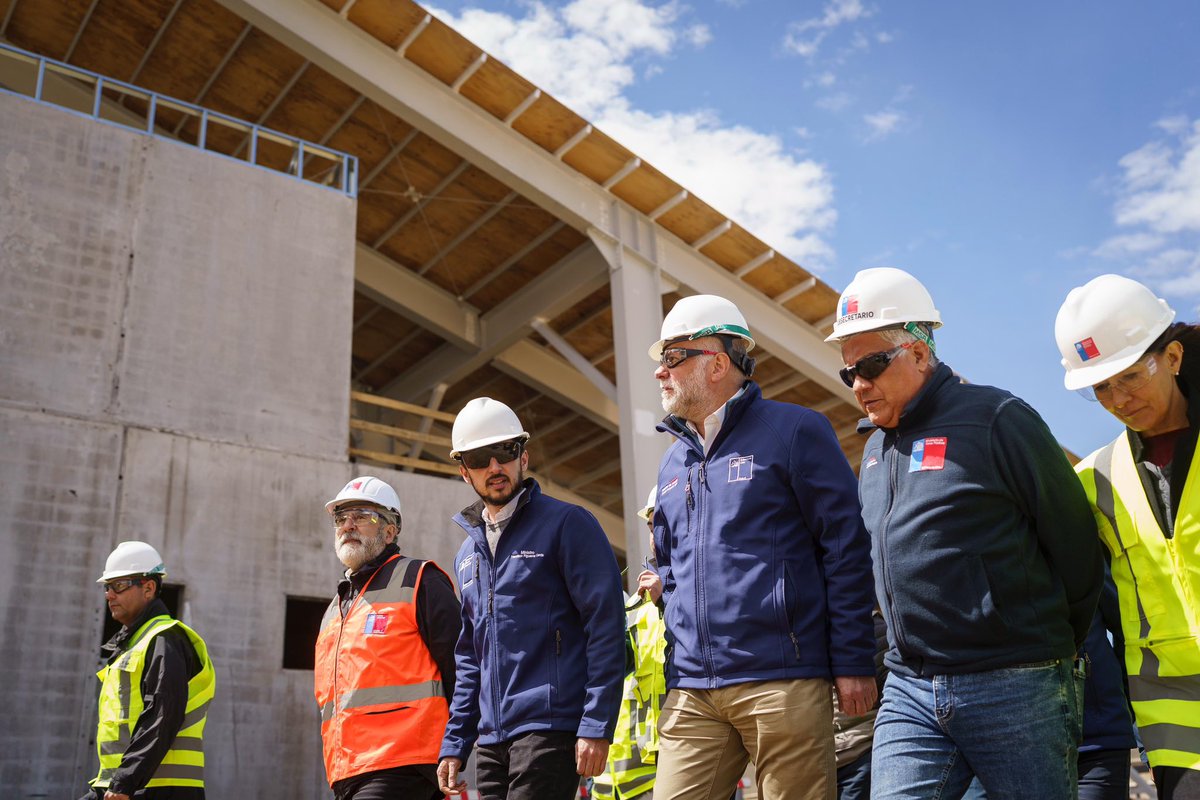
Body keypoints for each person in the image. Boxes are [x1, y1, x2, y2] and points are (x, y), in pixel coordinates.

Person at [826, 267, 1103, 799]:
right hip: (908, 687)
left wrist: (1036, 646)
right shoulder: (875, 453)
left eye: (872, 366)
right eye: (849, 374)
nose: (860, 384)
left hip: (1015, 681)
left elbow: (1076, 548)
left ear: (920, 353)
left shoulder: (998, 419)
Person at [648, 294, 878, 800]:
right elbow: (669, 569)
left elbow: (845, 548)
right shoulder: (670, 468)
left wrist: (854, 660)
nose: (660, 374)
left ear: (717, 363)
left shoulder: (796, 431)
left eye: (671, 358)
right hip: (693, 687)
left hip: (783, 677)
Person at [1055, 273, 1200, 798]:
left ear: (1175, 356)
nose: (1118, 397)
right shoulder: (1093, 480)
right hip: (1175, 726)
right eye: (1100, 387)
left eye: (1130, 376)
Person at [437, 397, 625, 800]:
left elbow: (606, 626)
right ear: (463, 470)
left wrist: (596, 724)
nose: (494, 467)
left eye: (505, 452)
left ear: (524, 456)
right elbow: (471, 657)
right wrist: (456, 743)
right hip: (491, 741)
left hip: (549, 729)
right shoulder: (467, 557)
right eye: (479, 458)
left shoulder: (568, 525)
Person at [315, 476, 461, 800]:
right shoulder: (334, 612)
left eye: (362, 516)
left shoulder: (420, 580)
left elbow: (462, 667)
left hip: (405, 763)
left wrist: (457, 745)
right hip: (345, 770)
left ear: (390, 530)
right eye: (341, 518)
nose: (348, 525)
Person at [84, 541, 215, 800]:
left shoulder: (165, 639)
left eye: (119, 585)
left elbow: (162, 714)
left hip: (157, 788)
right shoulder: (133, 643)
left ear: (149, 588)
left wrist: (125, 781)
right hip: (125, 786)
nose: (110, 594)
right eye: (108, 587)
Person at [593, 487, 669, 800]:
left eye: (661, 524)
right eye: (651, 526)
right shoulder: (633, 607)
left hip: (674, 765)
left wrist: (667, 597)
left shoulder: (697, 594)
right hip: (616, 778)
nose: (654, 535)